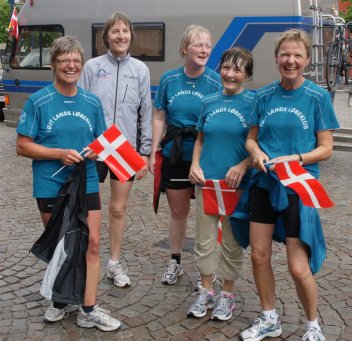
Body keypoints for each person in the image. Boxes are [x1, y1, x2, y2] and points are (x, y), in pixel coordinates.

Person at [239, 29, 339, 341]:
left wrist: (294, 158)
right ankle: (269, 318)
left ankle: (312, 325)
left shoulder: (317, 97)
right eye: (285, 55)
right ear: (276, 58)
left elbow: (326, 148)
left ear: (307, 60)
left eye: (297, 55)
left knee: (297, 266)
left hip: (298, 186)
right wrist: (255, 153)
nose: (290, 60)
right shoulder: (263, 96)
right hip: (264, 183)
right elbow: (251, 138)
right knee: (259, 256)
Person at [16, 35, 121, 331]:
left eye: (76, 61)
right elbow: (22, 146)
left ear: (82, 64)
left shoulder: (91, 102)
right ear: (53, 65)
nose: (71, 66)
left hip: (86, 180)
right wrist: (57, 153)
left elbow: (102, 142)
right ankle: (61, 300)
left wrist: (98, 150)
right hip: (51, 185)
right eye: (64, 61)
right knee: (62, 245)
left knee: (93, 243)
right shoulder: (39, 100)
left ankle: (89, 307)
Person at [78, 12, 152, 288]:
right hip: (95, 148)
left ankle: (113, 264)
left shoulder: (140, 70)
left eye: (125, 31)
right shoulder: (92, 67)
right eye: (115, 31)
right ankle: (86, 259)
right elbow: (80, 106)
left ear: (131, 35)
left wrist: (145, 152)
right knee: (87, 208)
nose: (120, 36)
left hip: (124, 149)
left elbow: (146, 112)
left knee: (118, 209)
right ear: (105, 36)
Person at [149, 25, 221, 287]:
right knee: (178, 212)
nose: (204, 50)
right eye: (198, 45)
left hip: (205, 159)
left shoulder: (215, 80)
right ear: (185, 48)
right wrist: (154, 149)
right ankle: (175, 261)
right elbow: (159, 115)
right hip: (174, 155)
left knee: (207, 216)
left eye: (207, 45)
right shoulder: (169, 79)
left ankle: (207, 271)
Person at [187, 47, 254, 321]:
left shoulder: (253, 103)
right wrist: (194, 165)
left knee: (232, 242)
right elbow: (200, 140)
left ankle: (227, 294)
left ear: (247, 75)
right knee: (204, 241)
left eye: (237, 69)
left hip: (235, 185)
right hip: (207, 182)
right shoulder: (208, 102)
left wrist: (244, 165)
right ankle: (205, 291)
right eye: (226, 67)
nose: (230, 73)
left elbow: (259, 145)